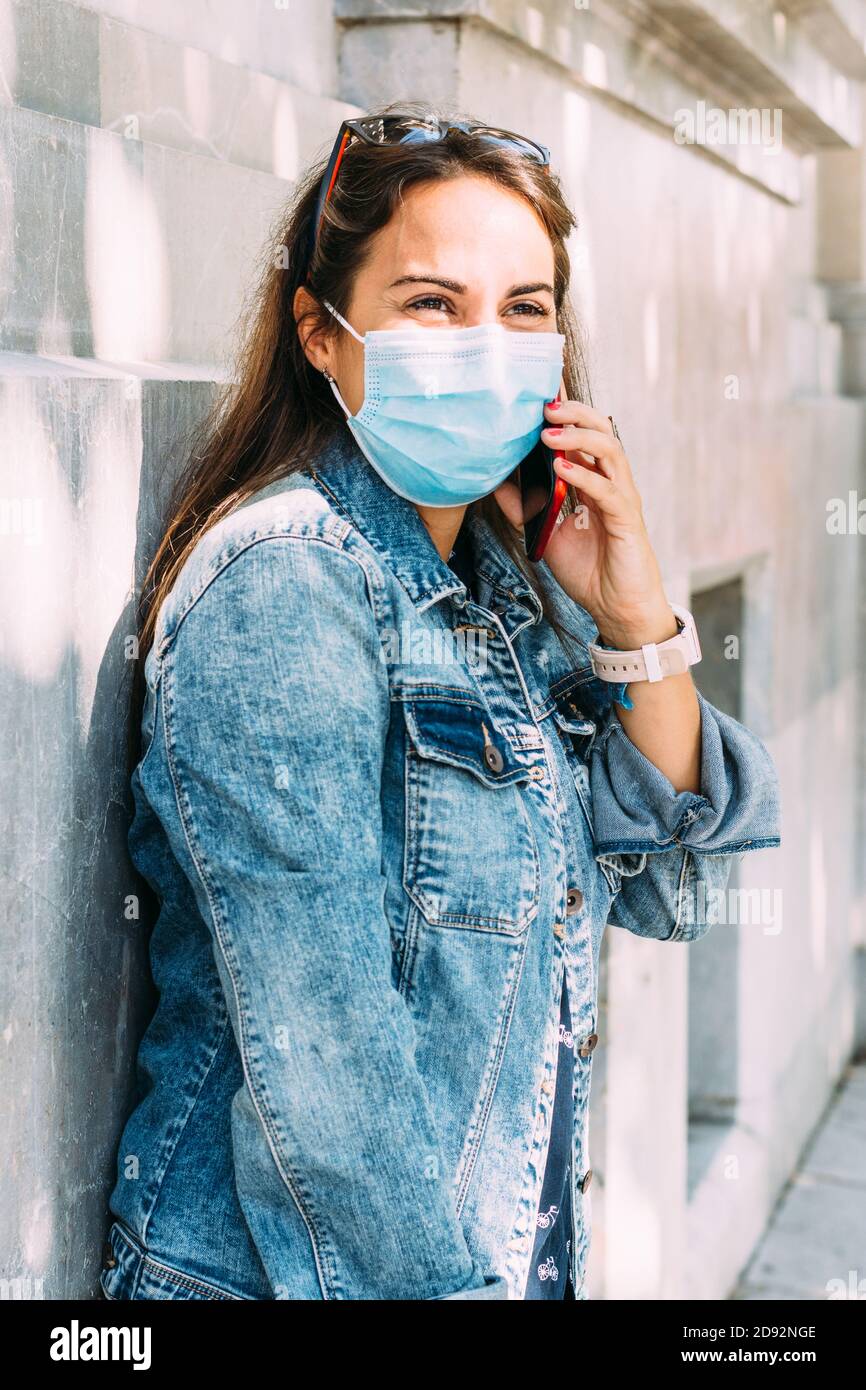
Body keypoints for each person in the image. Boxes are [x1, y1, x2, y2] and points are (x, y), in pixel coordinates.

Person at [100, 102, 780, 1302]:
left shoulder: (493, 587)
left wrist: (631, 614)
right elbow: (324, 1060)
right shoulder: (288, 579)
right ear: (320, 332)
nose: (486, 343)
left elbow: (668, 885)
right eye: (430, 302)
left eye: (524, 309)